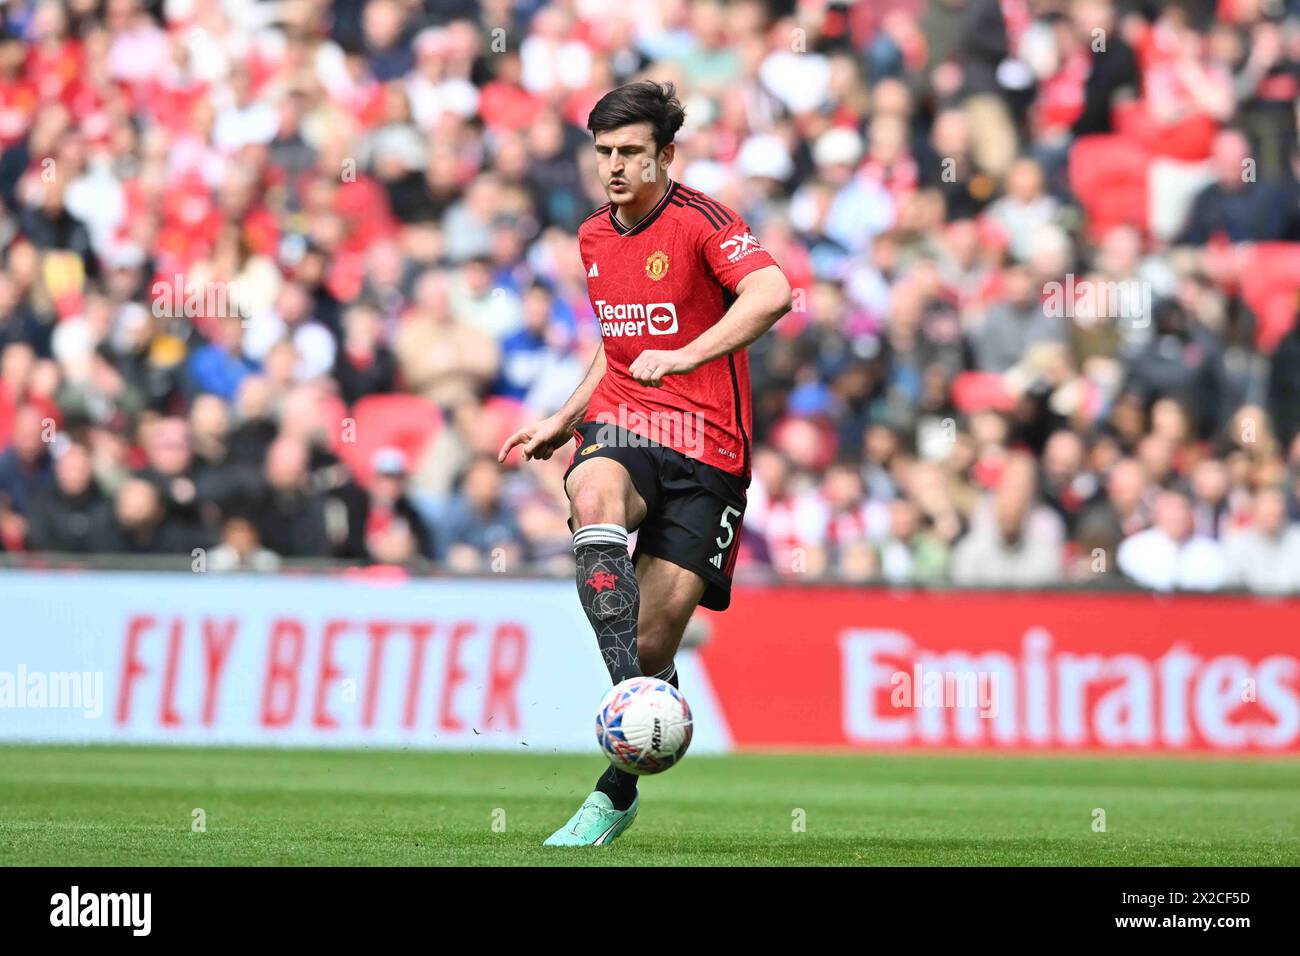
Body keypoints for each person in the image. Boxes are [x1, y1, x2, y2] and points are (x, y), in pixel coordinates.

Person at [498, 81, 791, 847]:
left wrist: (686, 355)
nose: (616, 167)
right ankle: (638, 701)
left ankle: (618, 785)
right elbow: (616, 343)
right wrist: (563, 420)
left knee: (655, 644)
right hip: (623, 423)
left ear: (666, 155)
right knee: (594, 491)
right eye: (604, 152)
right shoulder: (594, 237)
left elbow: (773, 292)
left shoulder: (705, 224)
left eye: (632, 152)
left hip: (712, 452)